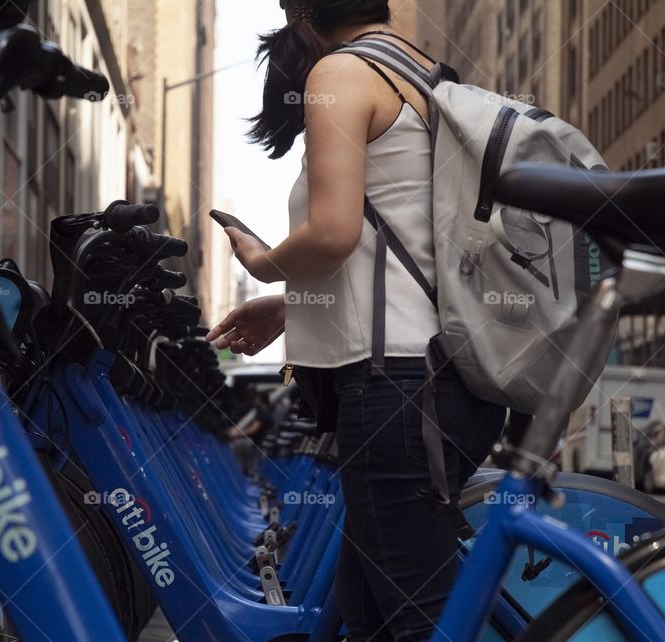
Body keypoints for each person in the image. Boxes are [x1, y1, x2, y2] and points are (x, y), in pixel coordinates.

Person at [206, 2, 507, 639]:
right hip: (445, 380)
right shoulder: (432, 77)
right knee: (365, 616)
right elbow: (408, 248)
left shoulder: (341, 72)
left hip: (396, 389)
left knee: (424, 622)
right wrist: (291, 307)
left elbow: (334, 234)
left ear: (301, 13)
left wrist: (264, 265)